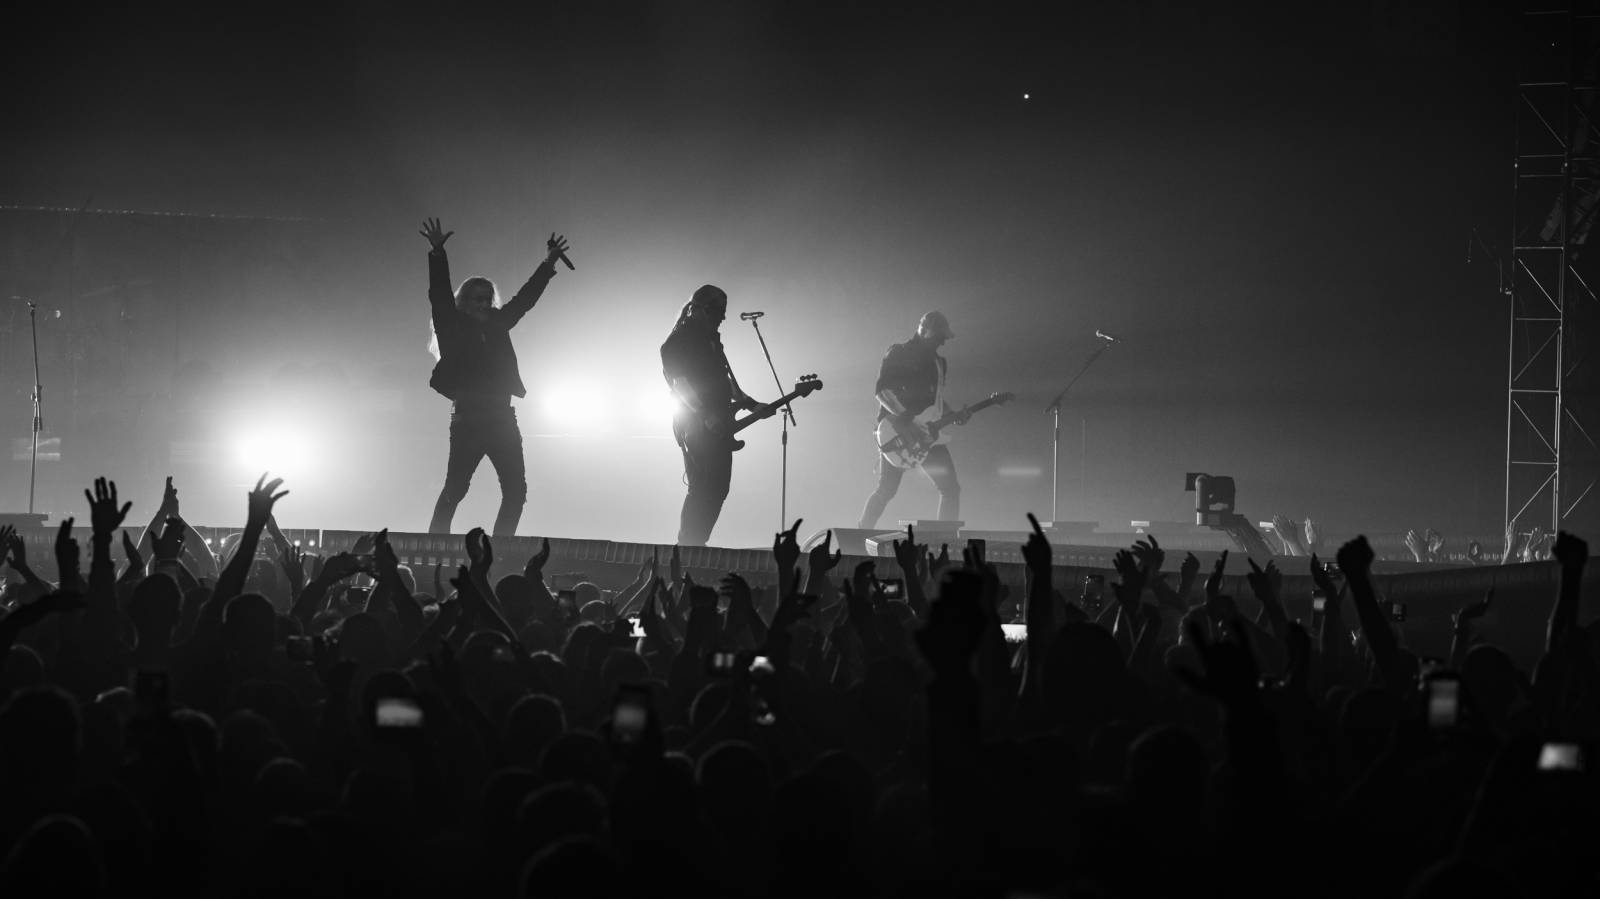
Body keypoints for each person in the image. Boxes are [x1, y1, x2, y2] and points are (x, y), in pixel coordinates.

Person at [421, 218, 571, 537]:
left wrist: (548, 263)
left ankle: (500, 550)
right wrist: (437, 254)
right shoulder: (452, 325)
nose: (484, 304)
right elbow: (439, 294)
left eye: (488, 298)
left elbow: (525, 300)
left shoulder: (498, 323)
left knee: (516, 492)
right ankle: (435, 541)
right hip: (469, 419)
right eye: (477, 298)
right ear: (464, 302)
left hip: (503, 417)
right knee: (456, 488)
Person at [660, 285, 763, 547]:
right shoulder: (676, 344)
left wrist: (751, 404)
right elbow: (681, 385)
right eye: (716, 311)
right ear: (697, 310)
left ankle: (697, 542)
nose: (722, 317)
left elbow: (725, 380)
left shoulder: (712, 342)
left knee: (718, 487)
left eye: (723, 312)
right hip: (693, 423)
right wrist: (705, 415)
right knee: (703, 486)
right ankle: (689, 544)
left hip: (717, 421)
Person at [858, 311, 964, 530]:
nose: (943, 341)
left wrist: (953, 415)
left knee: (950, 488)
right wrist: (904, 420)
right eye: (939, 336)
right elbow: (882, 390)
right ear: (924, 331)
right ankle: (859, 535)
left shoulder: (939, 363)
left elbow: (935, 402)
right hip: (897, 433)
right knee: (887, 489)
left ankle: (945, 541)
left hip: (928, 435)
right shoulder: (900, 352)